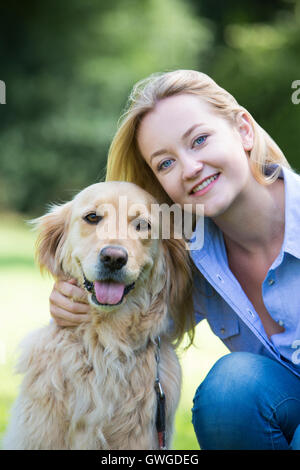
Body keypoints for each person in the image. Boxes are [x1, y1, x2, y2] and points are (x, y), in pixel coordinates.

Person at [49, 70, 300, 450]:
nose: (190, 168)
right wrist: (71, 299)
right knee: (231, 389)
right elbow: (138, 319)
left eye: (199, 140)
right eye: (165, 163)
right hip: (282, 397)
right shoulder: (185, 254)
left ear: (244, 130)